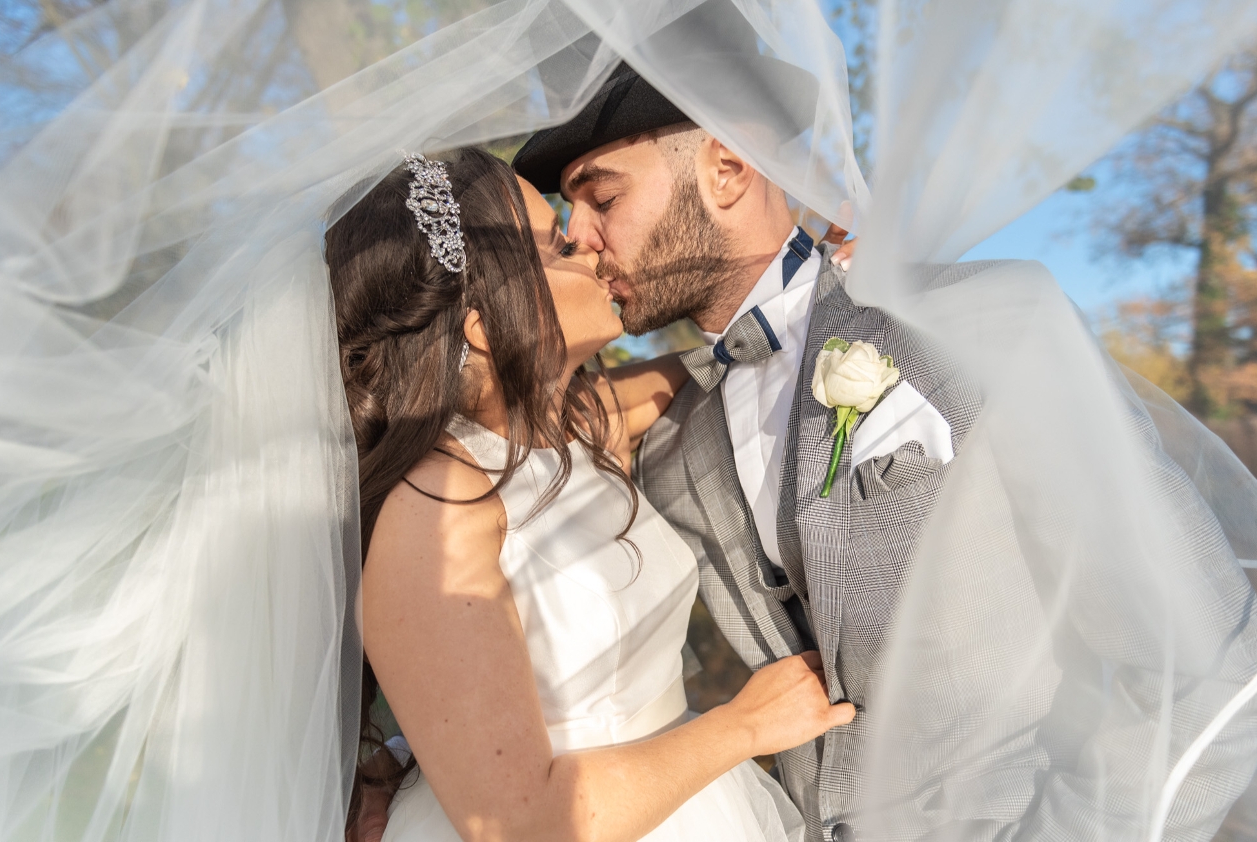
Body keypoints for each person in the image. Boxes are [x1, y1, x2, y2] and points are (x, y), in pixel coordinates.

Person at [506, 65, 1257, 842]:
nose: (578, 236)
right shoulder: (670, 450)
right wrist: (395, 754)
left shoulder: (978, 325)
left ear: (726, 168)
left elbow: (1211, 674)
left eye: (602, 197)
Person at [327, 146, 856, 842]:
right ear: (482, 322)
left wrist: (828, 273)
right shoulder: (436, 504)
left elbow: (733, 351)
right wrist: (748, 723)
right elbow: (517, 824)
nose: (582, 240)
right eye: (552, 238)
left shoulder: (573, 429)